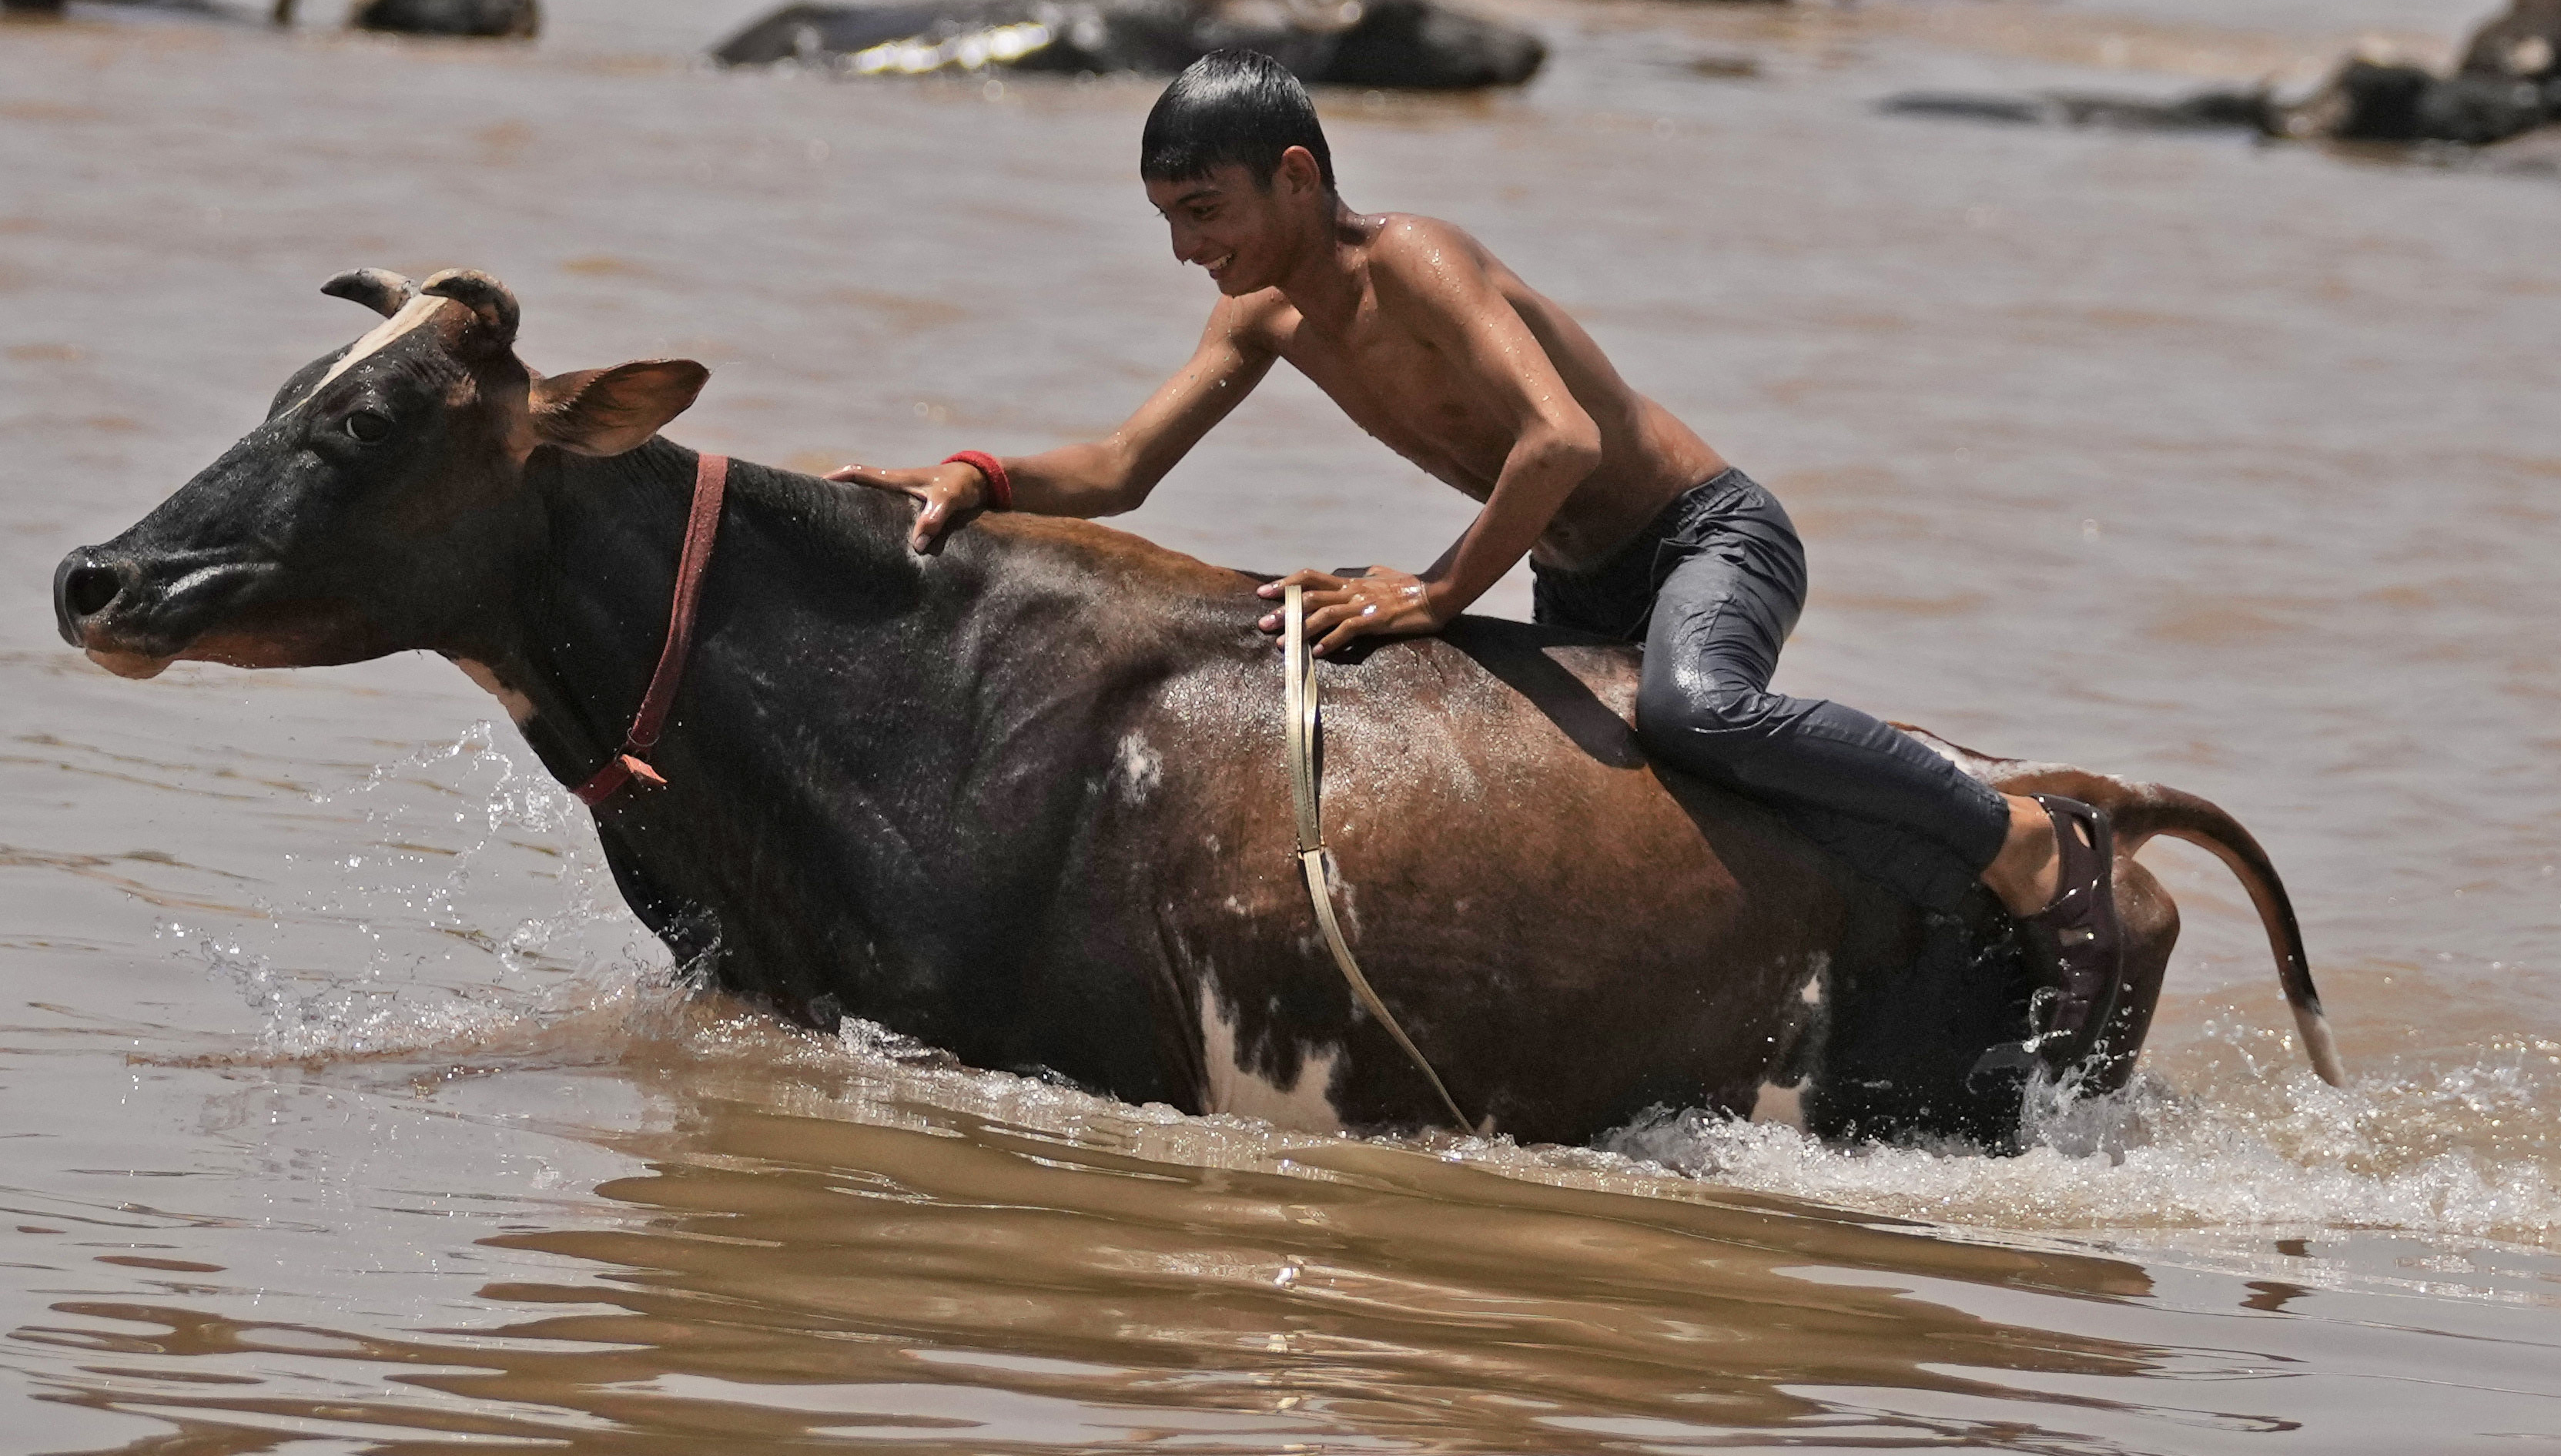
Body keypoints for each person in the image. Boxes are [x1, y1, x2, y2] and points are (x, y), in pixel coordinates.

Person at [832, 50, 2125, 1047]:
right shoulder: (1264, 319)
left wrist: (1439, 592)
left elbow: (1556, 442)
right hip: (1574, 577)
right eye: (1168, 218)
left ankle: (2019, 839)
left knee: (1698, 709)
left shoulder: (1420, 259)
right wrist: (979, 475)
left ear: (1297, 174)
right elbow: (1119, 469)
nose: (1188, 248)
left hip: (1702, 536)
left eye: (1206, 208)